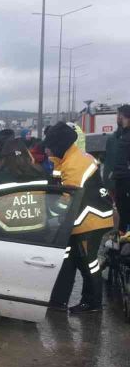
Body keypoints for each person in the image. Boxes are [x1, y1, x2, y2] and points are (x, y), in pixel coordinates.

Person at [45, 122, 114, 314]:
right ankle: (64, 301)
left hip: (90, 220)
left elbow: (67, 200)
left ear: (59, 145)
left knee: (88, 263)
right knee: (73, 259)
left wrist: (48, 214)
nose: (47, 149)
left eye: (49, 146)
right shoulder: (69, 158)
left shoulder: (75, 165)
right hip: (83, 220)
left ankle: (93, 303)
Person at [0, 137, 51, 236]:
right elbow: (52, 199)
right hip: (39, 233)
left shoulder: (0, 176)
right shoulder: (41, 173)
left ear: (4, 157)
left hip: (4, 233)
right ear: (27, 154)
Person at [110, 105, 130, 233]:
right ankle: (122, 239)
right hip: (120, 178)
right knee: (122, 210)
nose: (117, 118)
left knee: (125, 211)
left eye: (118, 115)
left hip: (126, 179)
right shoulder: (122, 133)